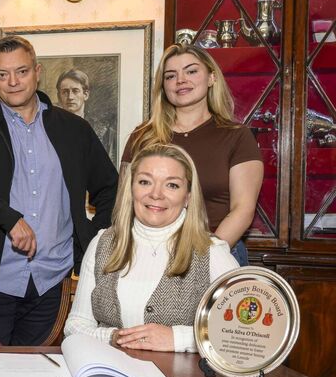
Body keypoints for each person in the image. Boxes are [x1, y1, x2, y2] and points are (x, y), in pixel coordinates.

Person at [0, 35, 118, 346]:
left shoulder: (74, 130)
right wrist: (7, 217)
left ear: (37, 71)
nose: (12, 82)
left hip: (53, 281)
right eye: (2, 74)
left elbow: (111, 188)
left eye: (21, 71)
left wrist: (91, 240)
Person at [65, 144, 239, 352]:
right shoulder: (103, 243)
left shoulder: (212, 252)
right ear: (131, 190)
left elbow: (239, 333)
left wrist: (178, 339)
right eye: (145, 182)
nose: (156, 194)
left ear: (188, 196)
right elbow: (75, 326)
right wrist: (114, 337)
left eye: (172, 185)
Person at [122, 44, 263, 266]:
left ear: (211, 78)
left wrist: (204, 257)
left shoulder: (237, 136)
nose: (180, 80)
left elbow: (243, 209)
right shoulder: (142, 136)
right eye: (171, 76)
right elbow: (125, 201)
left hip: (216, 251)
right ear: (163, 86)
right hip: (150, 255)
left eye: (191, 71)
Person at [56, 68, 117, 164]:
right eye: (65, 92)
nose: (70, 97)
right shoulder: (51, 129)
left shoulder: (104, 131)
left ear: (86, 94)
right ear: (59, 96)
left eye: (75, 91)